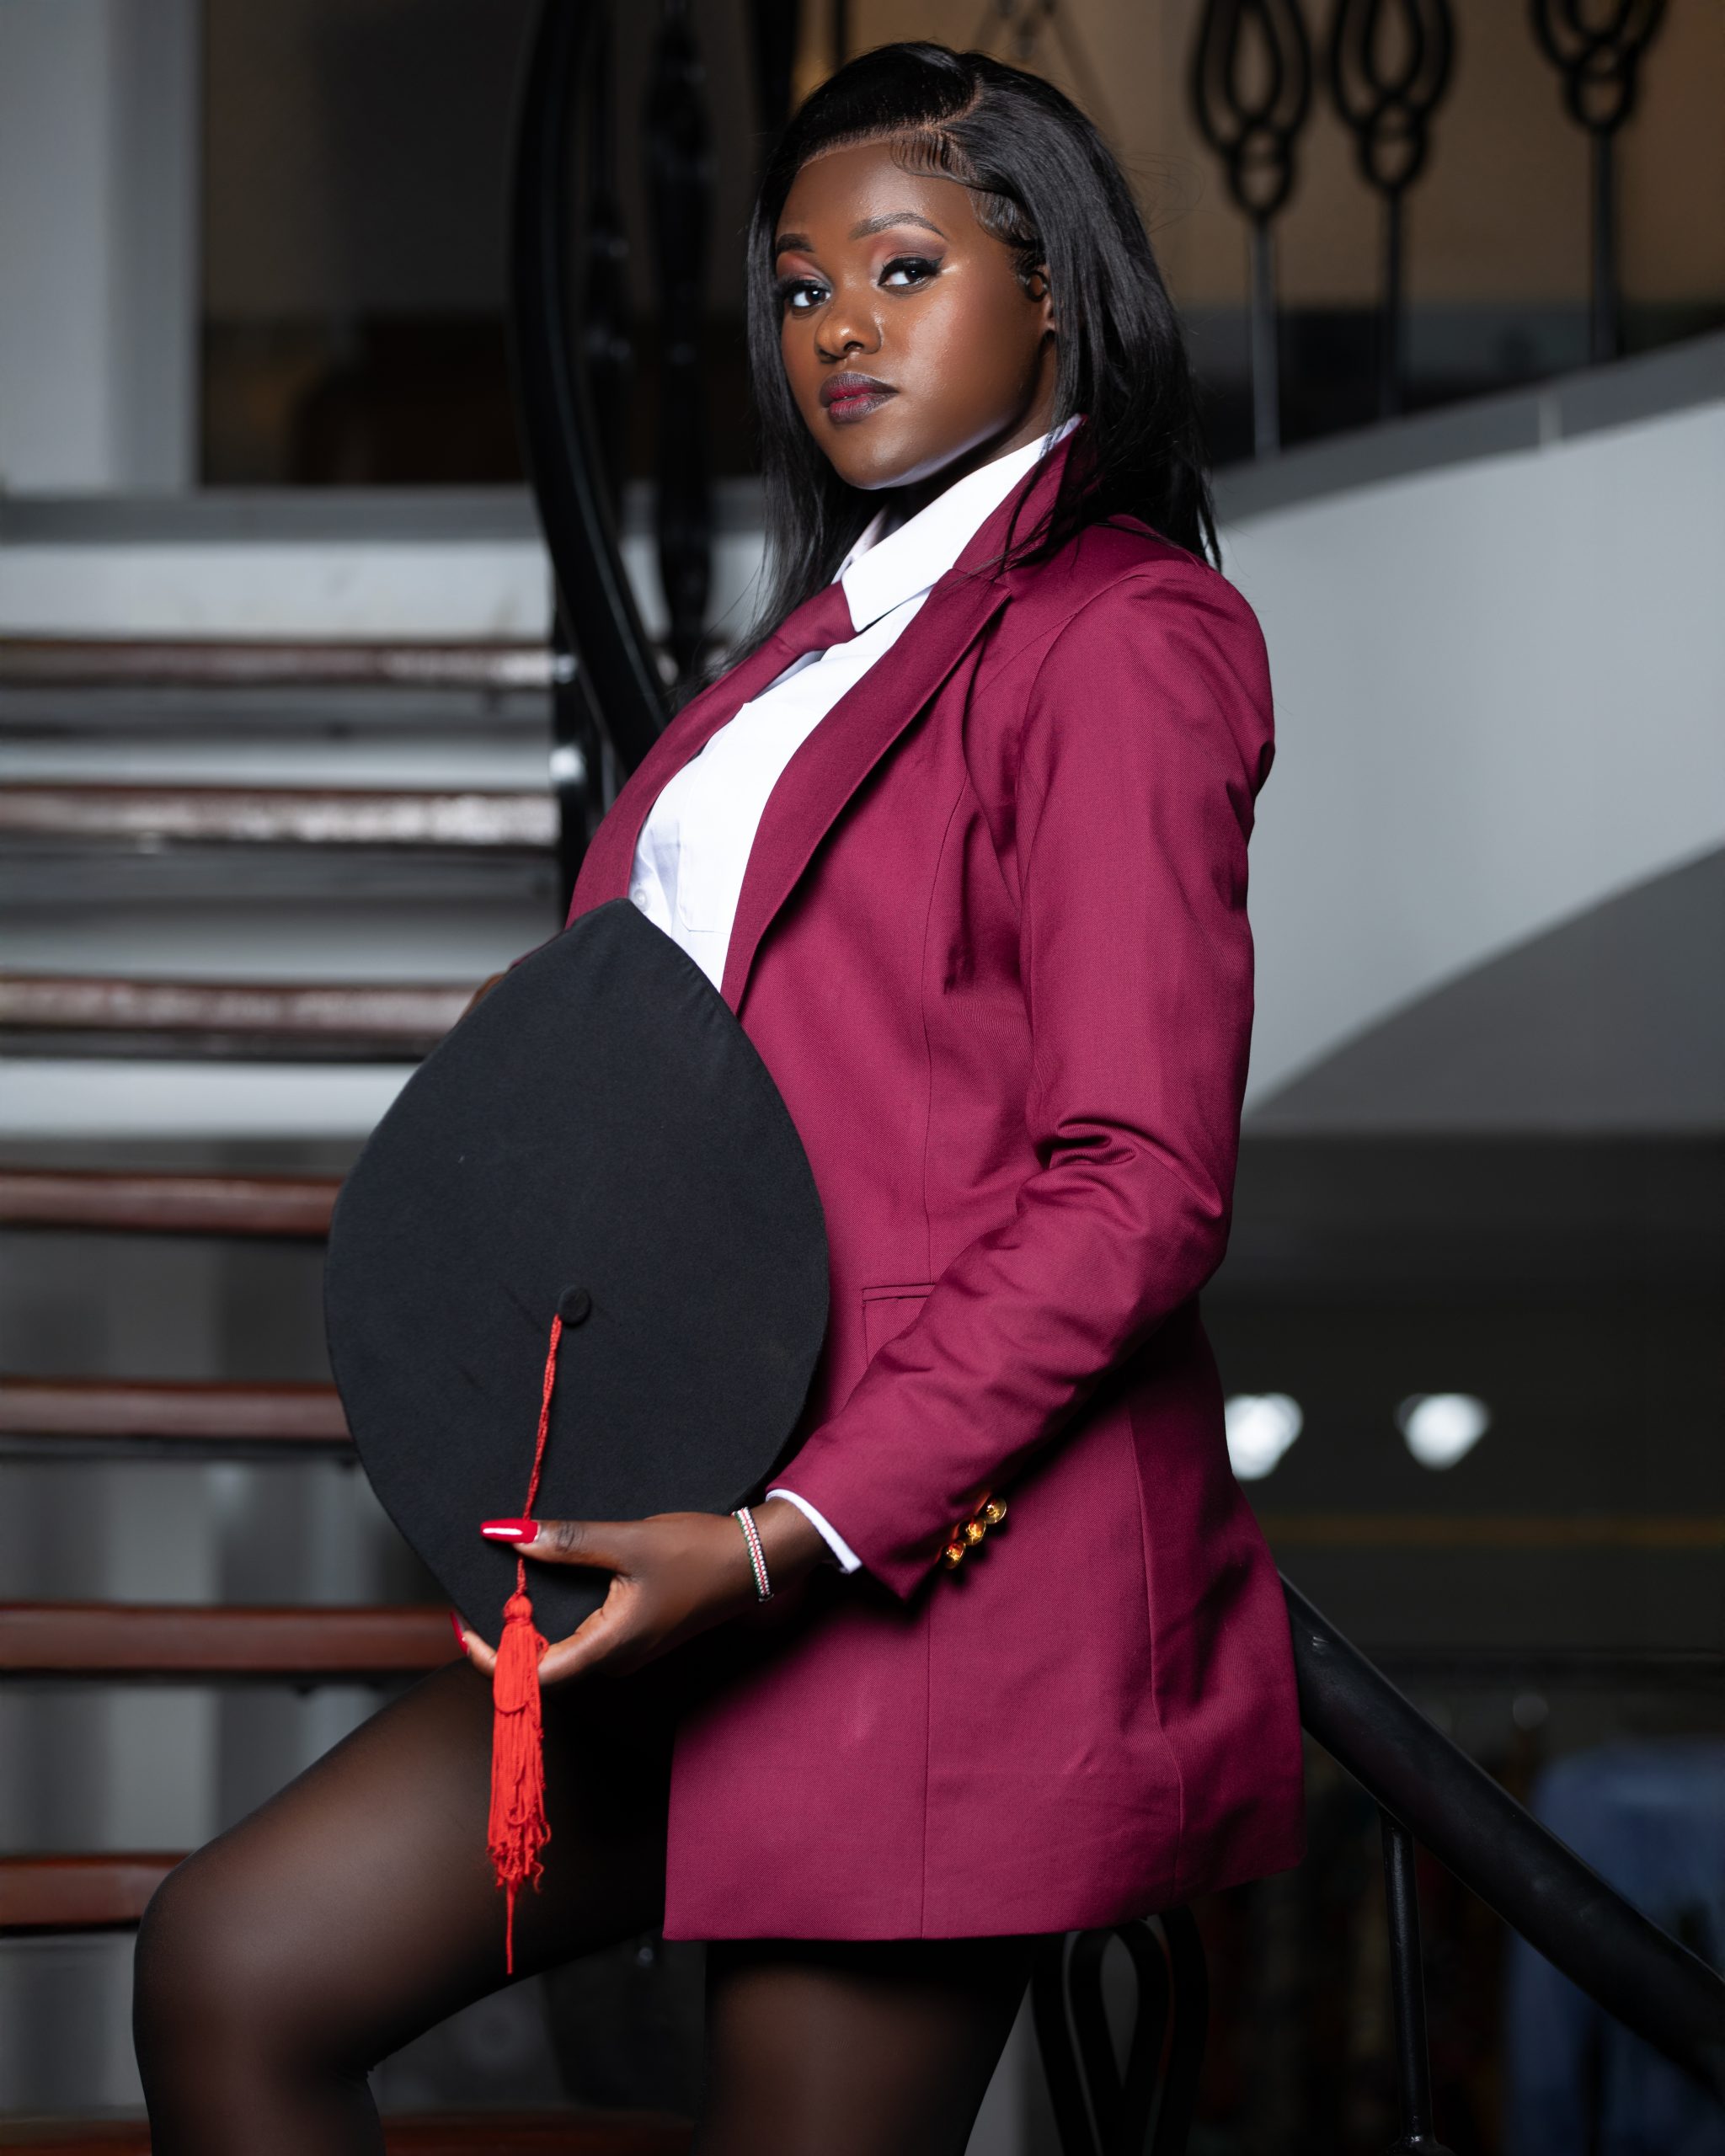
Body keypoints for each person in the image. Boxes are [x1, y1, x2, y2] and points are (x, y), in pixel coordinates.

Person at [132, 42, 1304, 2152]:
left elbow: (1138, 1181)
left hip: (903, 1589)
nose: (841, 326)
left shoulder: (1121, 633)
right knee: (235, 1962)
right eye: (798, 288)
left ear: (1052, 290)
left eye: (904, 267)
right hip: (674, 1561)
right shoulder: (815, 646)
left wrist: (786, 1535)